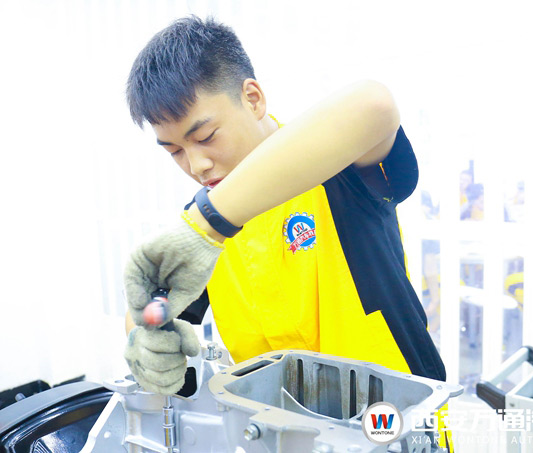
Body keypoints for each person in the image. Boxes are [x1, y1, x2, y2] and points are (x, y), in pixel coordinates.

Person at [121, 15, 451, 449]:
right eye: (175, 151)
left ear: (253, 98)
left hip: (391, 426)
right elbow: (153, 315)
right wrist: (145, 335)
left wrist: (209, 221)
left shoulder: (337, 165)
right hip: (278, 436)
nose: (196, 165)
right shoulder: (200, 230)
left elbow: (374, 105)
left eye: (206, 136)